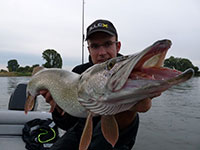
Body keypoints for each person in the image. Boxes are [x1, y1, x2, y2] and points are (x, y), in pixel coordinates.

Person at [40, 19, 152, 150]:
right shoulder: (78, 73)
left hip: (118, 135)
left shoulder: (129, 72)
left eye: (108, 44)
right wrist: (59, 109)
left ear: (118, 46)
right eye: (95, 46)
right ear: (89, 49)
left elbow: (144, 104)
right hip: (80, 130)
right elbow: (67, 124)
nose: (102, 52)